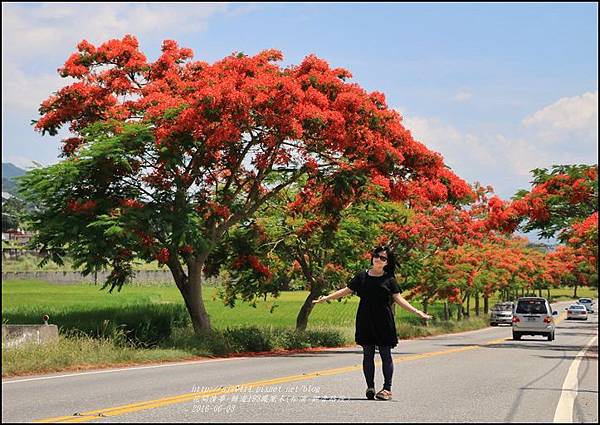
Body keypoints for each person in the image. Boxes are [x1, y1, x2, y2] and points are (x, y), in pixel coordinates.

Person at [312, 245, 432, 401]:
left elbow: (399, 299)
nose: (378, 259)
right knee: (367, 354)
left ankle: (387, 389)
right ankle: (370, 387)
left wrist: (417, 312)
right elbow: (346, 290)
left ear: (387, 262)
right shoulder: (362, 276)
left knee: (385, 354)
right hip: (365, 319)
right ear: (372, 257)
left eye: (383, 258)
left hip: (384, 320)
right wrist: (326, 298)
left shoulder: (389, 280)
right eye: (377, 256)